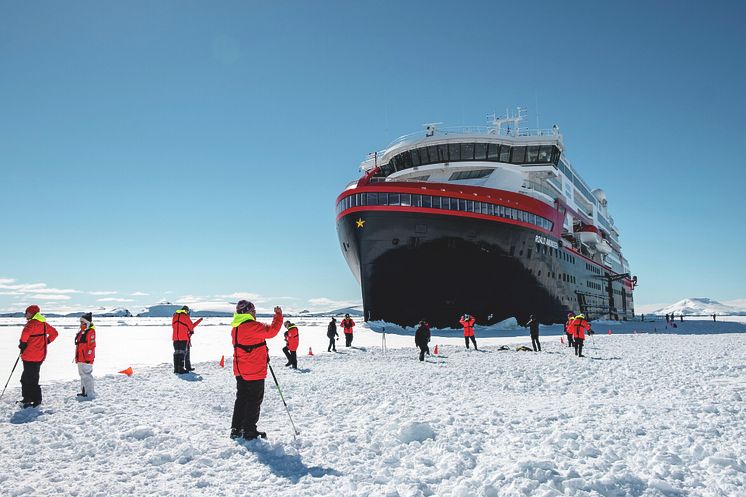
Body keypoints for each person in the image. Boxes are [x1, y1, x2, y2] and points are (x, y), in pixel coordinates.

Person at [230, 300, 283, 440]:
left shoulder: (236, 327)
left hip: (240, 370)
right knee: (254, 400)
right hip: (253, 371)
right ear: (247, 312)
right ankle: (249, 431)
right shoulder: (252, 326)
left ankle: (236, 428)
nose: (255, 313)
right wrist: (278, 315)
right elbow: (272, 331)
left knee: (241, 399)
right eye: (253, 311)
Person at [18, 305, 59, 408]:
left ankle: (31, 399)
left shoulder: (31, 324)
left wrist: (22, 345)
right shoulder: (44, 324)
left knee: (27, 378)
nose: (25, 315)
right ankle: (32, 399)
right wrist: (46, 342)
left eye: (27, 313)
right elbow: (54, 333)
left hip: (29, 356)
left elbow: (24, 336)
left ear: (32, 313)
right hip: (40, 356)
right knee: (33, 377)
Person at [171, 306, 202, 374]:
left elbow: (173, 326)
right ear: (186, 311)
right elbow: (191, 326)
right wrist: (191, 331)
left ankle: (176, 369)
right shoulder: (185, 316)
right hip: (183, 337)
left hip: (175, 338)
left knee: (177, 353)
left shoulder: (175, 316)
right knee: (182, 353)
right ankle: (181, 368)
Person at [74, 312, 96, 398]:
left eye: (82, 322)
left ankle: (89, 393)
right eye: (80, 322)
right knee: (82, 375)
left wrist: (88, 357)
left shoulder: (90, 332)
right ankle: (84, 391)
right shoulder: (82, 331)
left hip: (86, 358)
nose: (80, 324)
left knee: (87, 375)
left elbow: (91, 346)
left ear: (86, 322)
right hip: (80, 357)